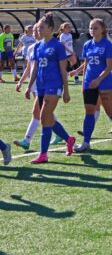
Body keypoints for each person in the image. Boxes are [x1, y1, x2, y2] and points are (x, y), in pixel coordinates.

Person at [25, 13, 76, 164]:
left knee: (43, 118)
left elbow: (63, 70)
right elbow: (35, 69)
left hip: (54, 86)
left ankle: (43, 154)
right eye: (38, 27)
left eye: (41, 27)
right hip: (40, 86)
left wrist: (66, 90)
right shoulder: (38, 46)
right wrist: (29, 87)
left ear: (51, 29)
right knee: (49, 118)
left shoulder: (58, 46)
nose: (38, 30)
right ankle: (69, 139)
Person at [74, 19, 112, 152]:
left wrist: (98, 79)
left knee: (109, 111)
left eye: (96, 28)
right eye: (91, 28)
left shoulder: (107, 44)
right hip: (89, 82)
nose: (92, 30)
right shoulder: (87, 44)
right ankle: (86, 142)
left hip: (104, 82)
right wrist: (83, 83)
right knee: (89, 112)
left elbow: (110, 65)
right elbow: (86, 64)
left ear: (103, 29)